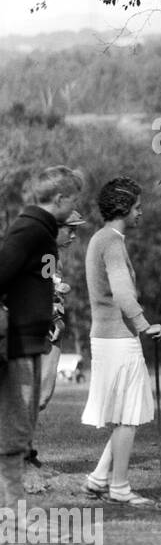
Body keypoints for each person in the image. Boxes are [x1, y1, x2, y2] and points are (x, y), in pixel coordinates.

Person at [0, 166, 84, 504]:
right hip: (17, 345)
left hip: (33, 342)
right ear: (61, 199)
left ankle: (12, 512)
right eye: (74, 198)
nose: (75, 206)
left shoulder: (43, 233)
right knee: (14, 433)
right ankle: (10, 514)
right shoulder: (30, 230)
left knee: (20, 430)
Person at [80, 177, 161, 506]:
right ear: (123, 208)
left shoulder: (99, 239)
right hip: (118, 339)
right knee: (129, 416)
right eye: (137, 207)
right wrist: (145, 325)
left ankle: (99, 479)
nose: (141, 212)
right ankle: (119, 488)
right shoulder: (113, 242)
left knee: (122, 414)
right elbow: (123, 293)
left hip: (103, 338)